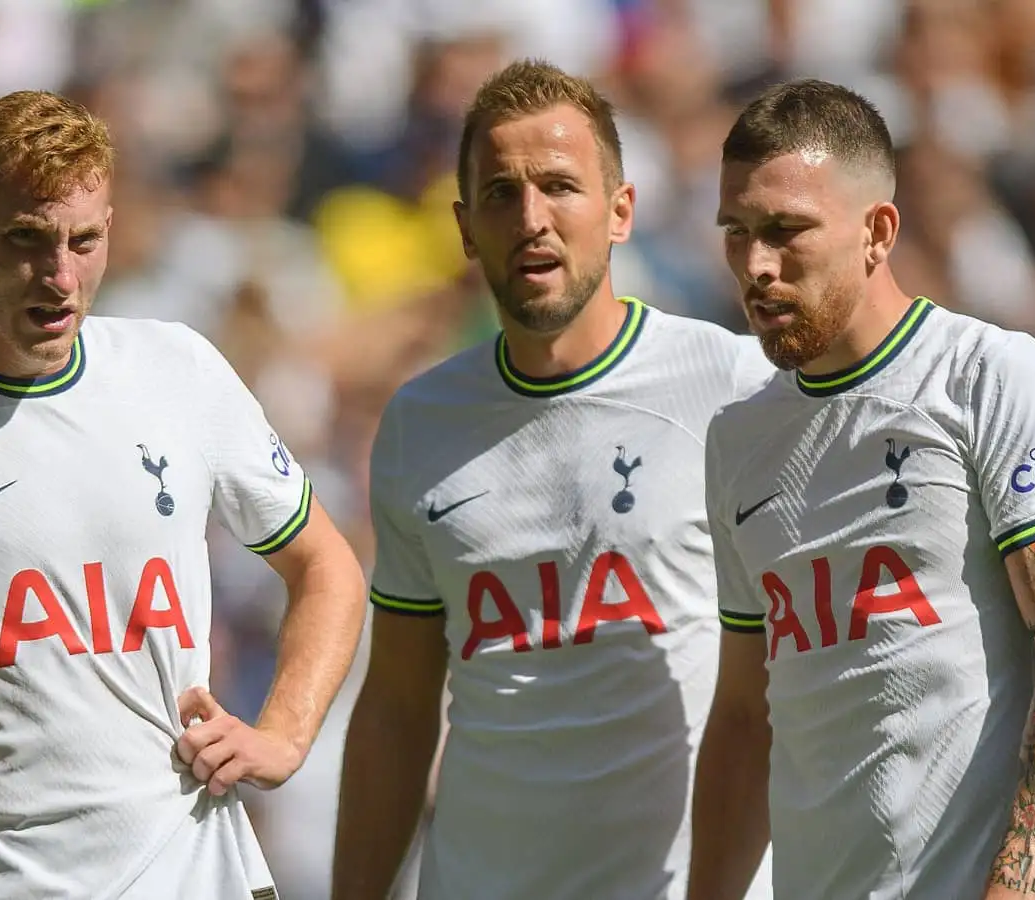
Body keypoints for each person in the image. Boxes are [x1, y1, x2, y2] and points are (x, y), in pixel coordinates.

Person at [0, 90, 366, 899]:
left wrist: (285, 732)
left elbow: (326, 566)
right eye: (26, 241)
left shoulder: (177, 368)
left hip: (206, 876)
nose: (60, 276)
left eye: (84, 241)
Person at [331, 59, 776, 900]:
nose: (531, 219)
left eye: (560, 186)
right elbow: (396, 705)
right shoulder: (419, 424)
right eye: (502, 193)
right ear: (465, 228)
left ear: (620, 212)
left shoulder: (734, 388)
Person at [689, 78, 1035, 900]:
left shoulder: (990, 376)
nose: (756, 266)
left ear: (877, 231)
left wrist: (1015, 891)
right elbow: (747, 719)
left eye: (786, 231)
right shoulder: (736, 439)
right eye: (736, 233)